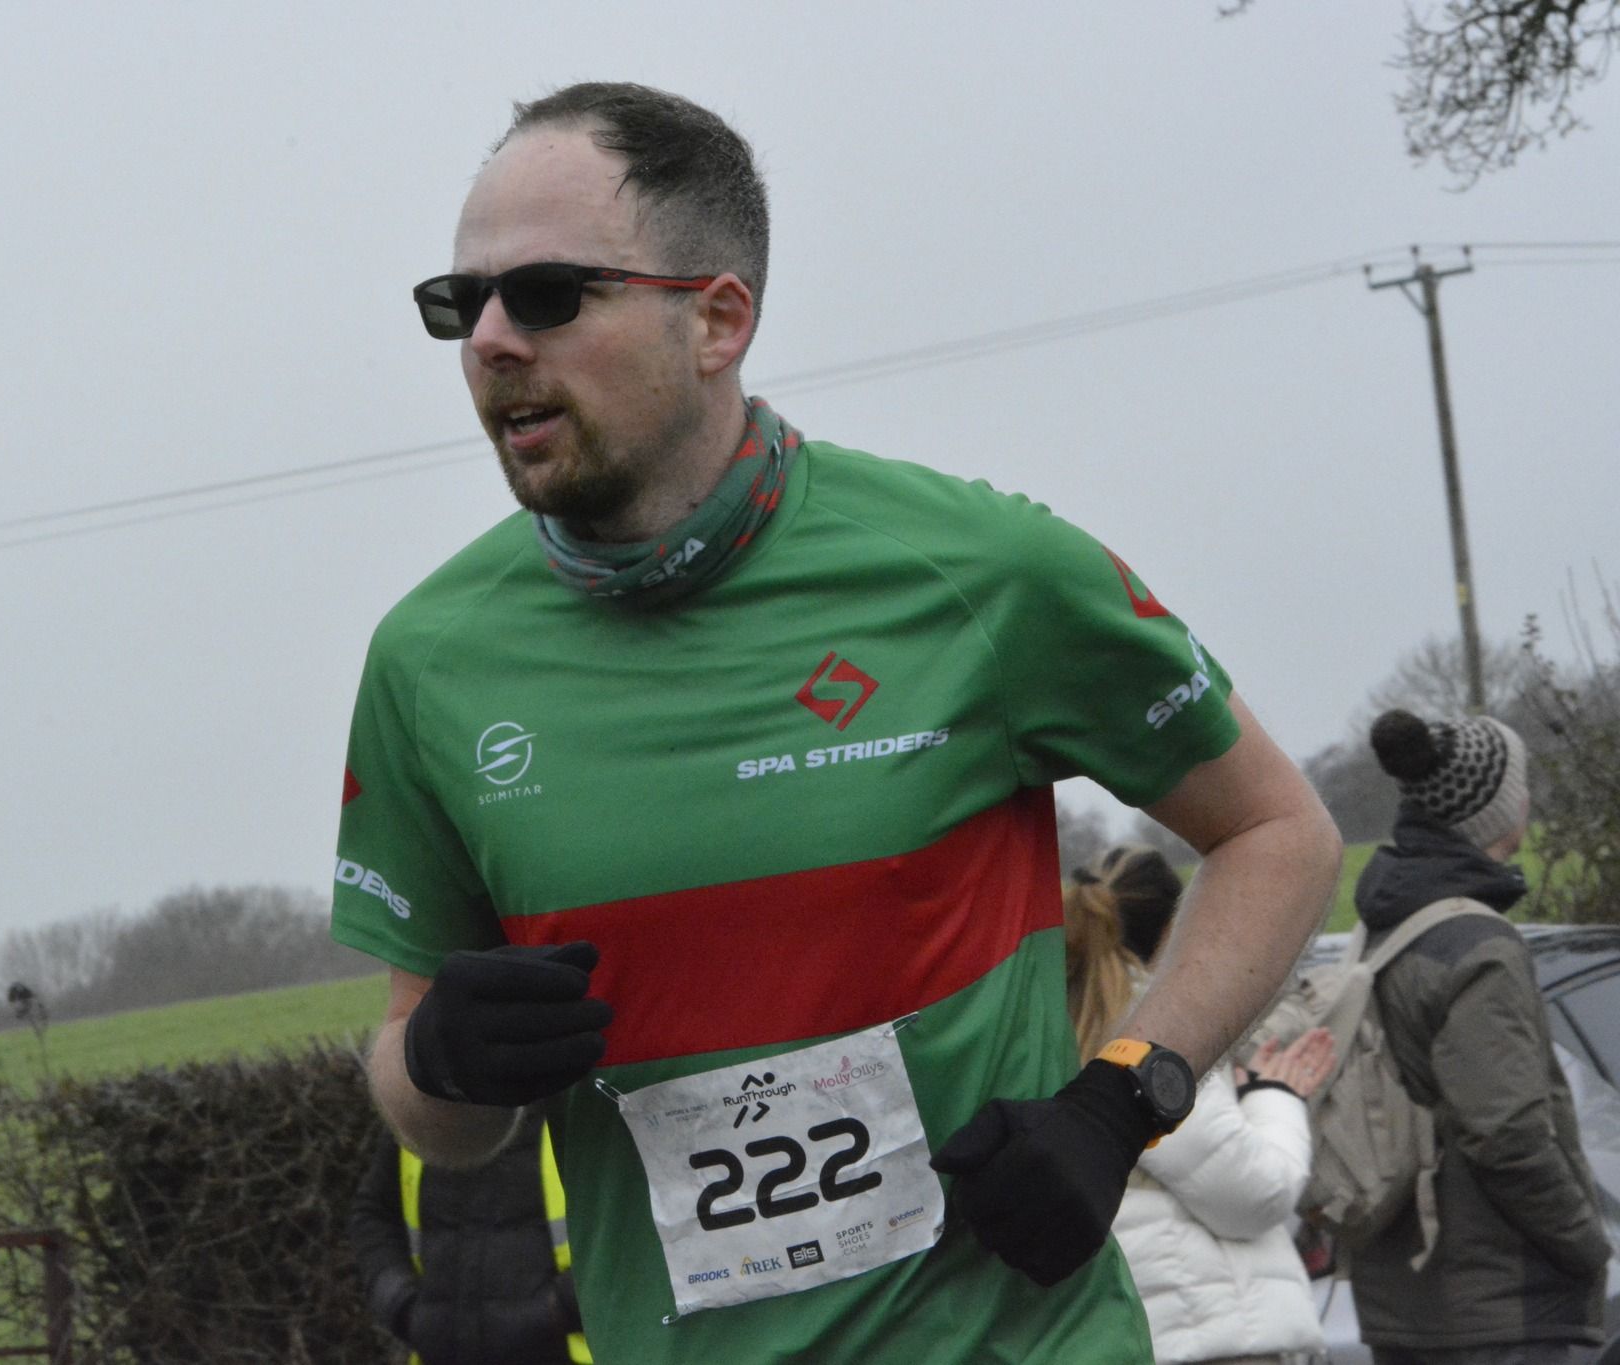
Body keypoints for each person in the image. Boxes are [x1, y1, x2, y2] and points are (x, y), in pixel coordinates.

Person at [328, 80, 1341, 1365]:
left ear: (715, 319)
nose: (486, 339)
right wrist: (443, 1063)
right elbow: (430, 1118)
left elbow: (1276, 830)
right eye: (456, 303)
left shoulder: (975, 571)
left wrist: (1121, 1097)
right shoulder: (430, 661)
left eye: (544, 295)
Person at [1348, 708, 1607, 1365]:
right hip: (1501, 1311)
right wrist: (1585, 1242)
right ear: (1497, 813)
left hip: (1401, 1301)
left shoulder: (1378, 930)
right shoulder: (1478, 946)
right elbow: (1507, 1133)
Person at [1068, 844, 1333, 1365]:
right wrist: (1275, 1095)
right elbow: (1253, 1195)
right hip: (1206, 1336)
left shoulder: (1053, 1019)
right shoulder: (1148, 1038)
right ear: (1174, 931)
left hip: (1123, 1330)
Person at [349, 1109, 591, 1365]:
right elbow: (373, 1214)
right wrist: (402, 1307)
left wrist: (558, 1310)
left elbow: (631, 1228)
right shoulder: (422, 1100)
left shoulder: (576, 1100)